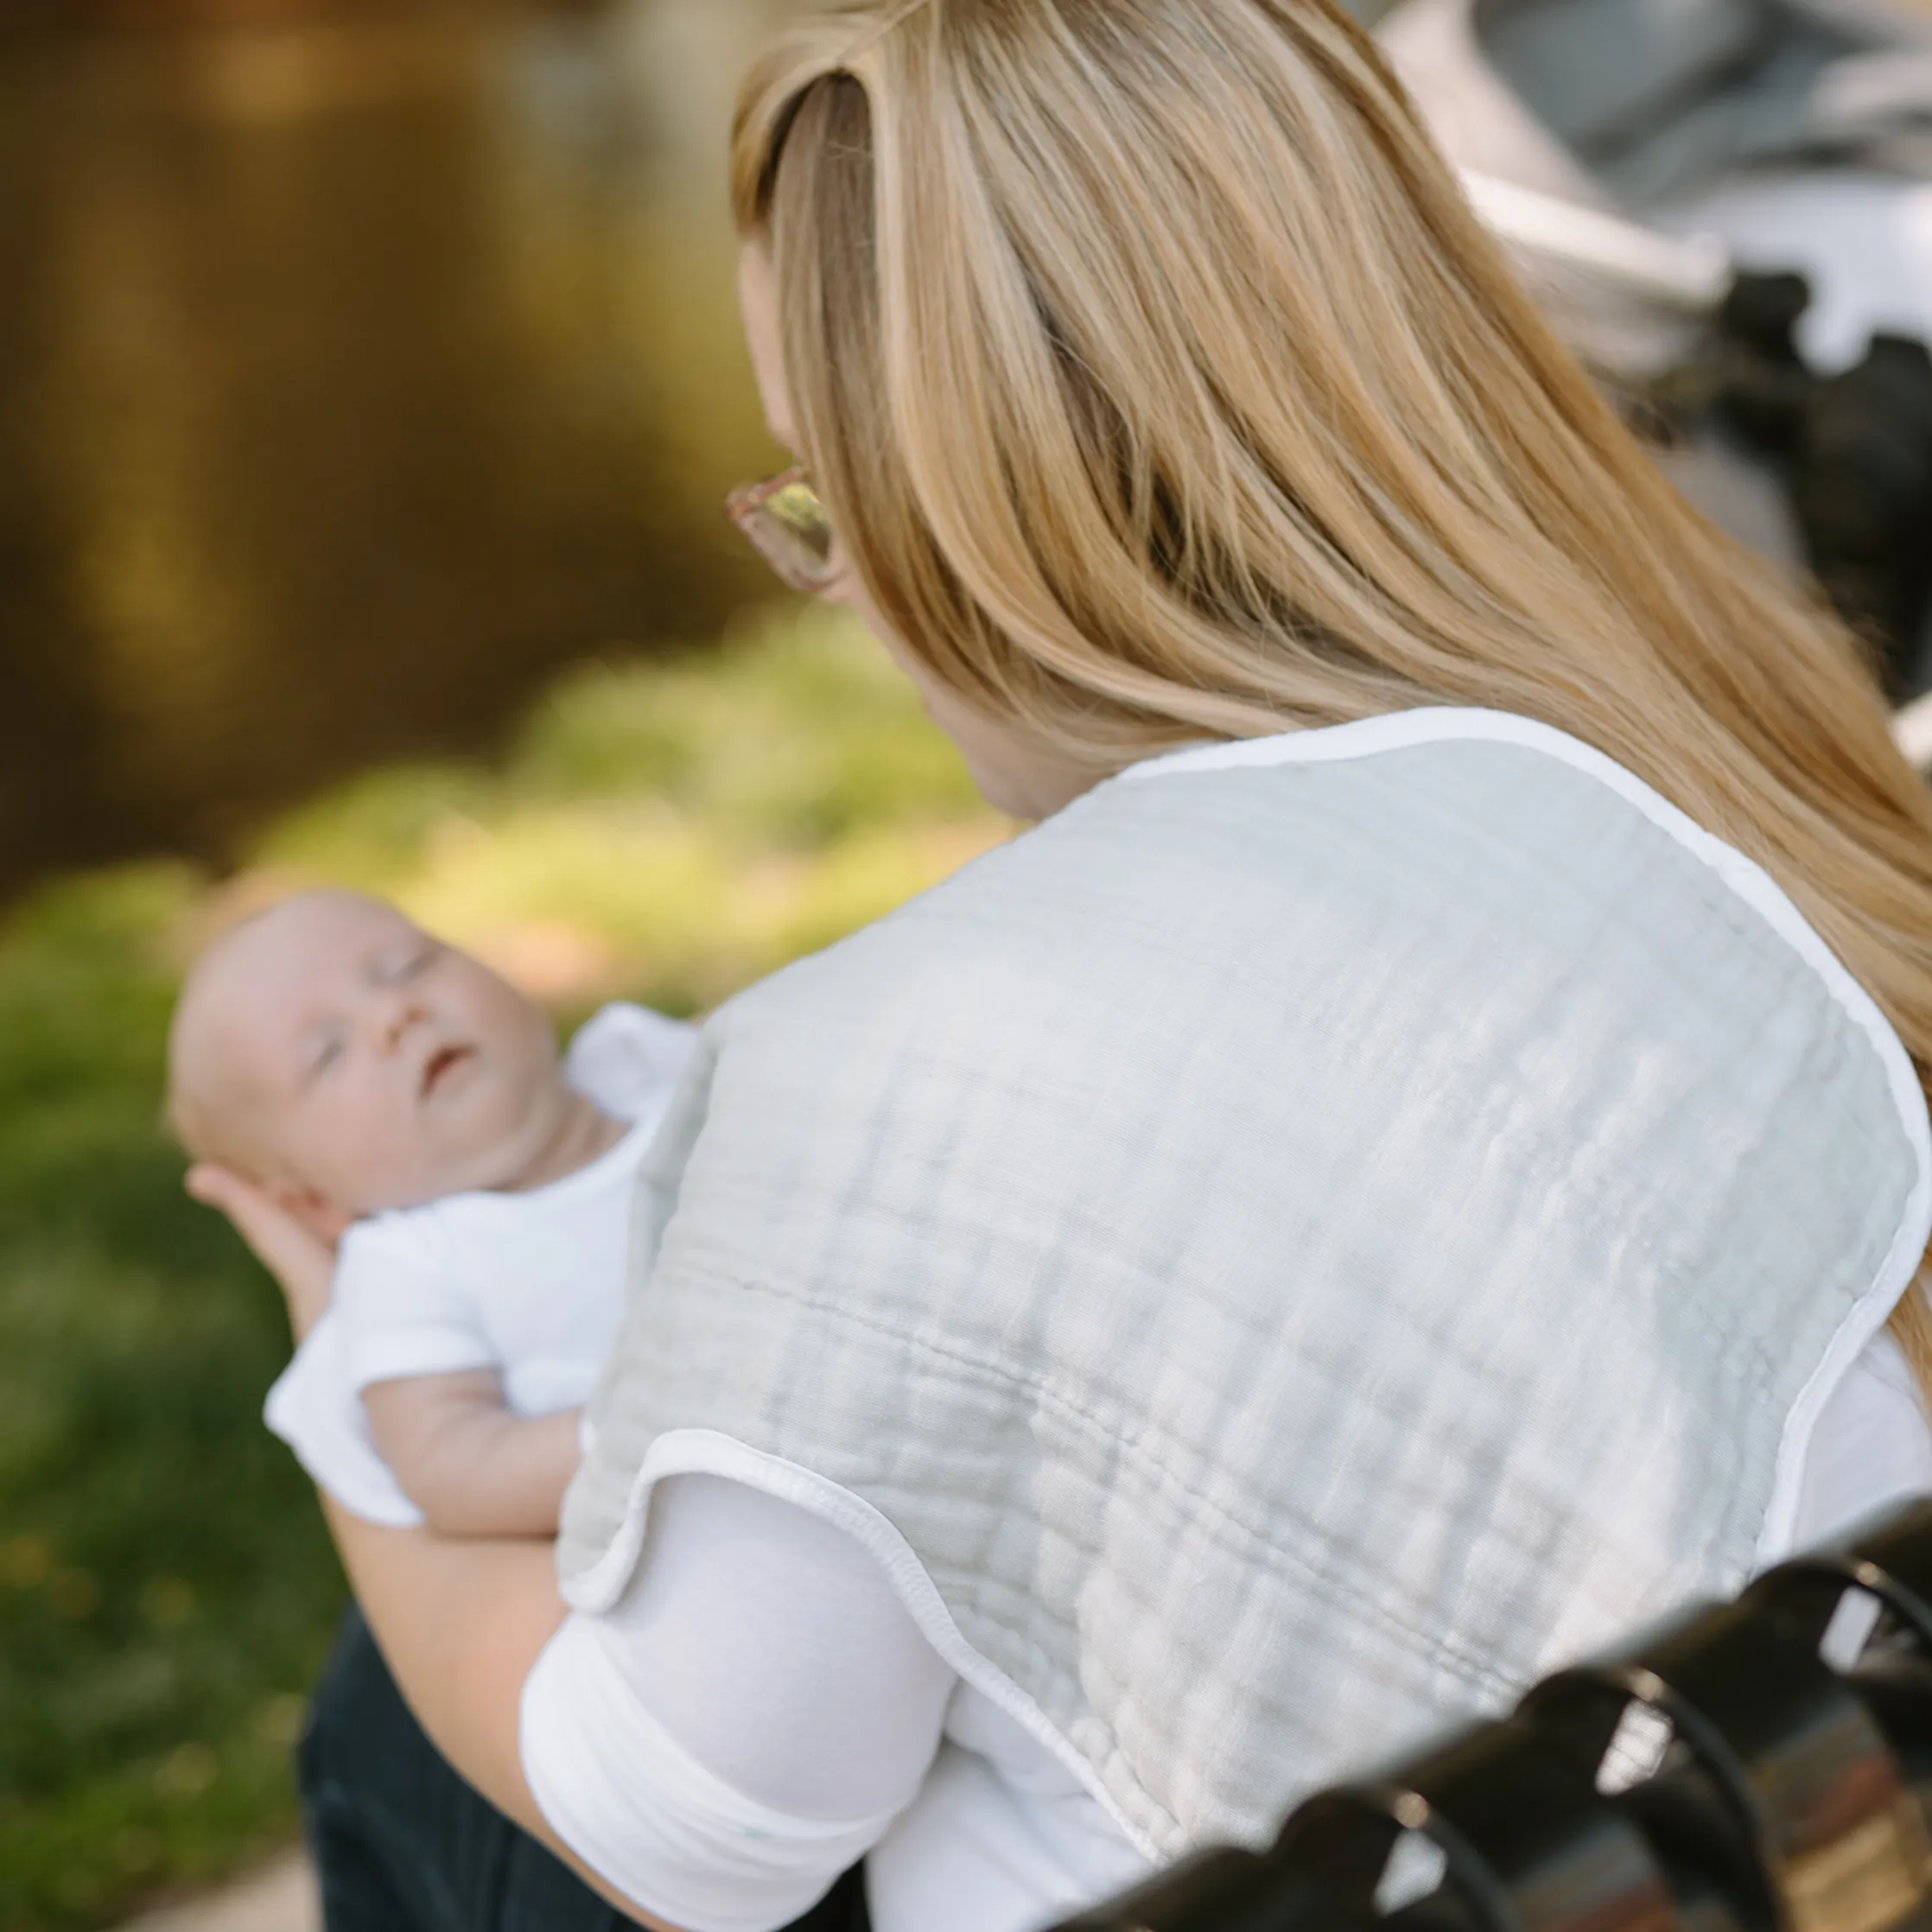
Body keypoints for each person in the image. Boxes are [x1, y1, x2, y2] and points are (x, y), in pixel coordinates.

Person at [185, 3, 1932, 1930]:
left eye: (818, 494)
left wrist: (348, 1393)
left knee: (395, 1725)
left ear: (968, 496)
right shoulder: (1752, 759)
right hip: (1803, 1823)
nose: (832, 575)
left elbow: (691, 1824)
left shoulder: (900, 1078)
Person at [169, 889, 696, 1535]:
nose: (396, 1011)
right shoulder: (413, 1263)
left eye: (409, 967)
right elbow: (451, 1465)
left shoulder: (644, 1057)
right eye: (329, 1052)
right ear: (314, 1203)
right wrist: (639, 1427)